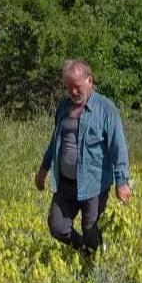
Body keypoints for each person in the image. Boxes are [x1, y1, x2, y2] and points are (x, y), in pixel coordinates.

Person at [34, 59, 132, 255]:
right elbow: (55, 142)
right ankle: (84, 249)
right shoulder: (63, 107)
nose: (73, 92)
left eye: (77, 87)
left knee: (91, 227)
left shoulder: (106, 109)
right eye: (68, 87)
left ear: (89, 80)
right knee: (57, 226)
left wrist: (122, 182)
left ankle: (93, 260)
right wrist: (44, 169)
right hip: (66, 183)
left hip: (94, 183)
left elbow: (118, 146)